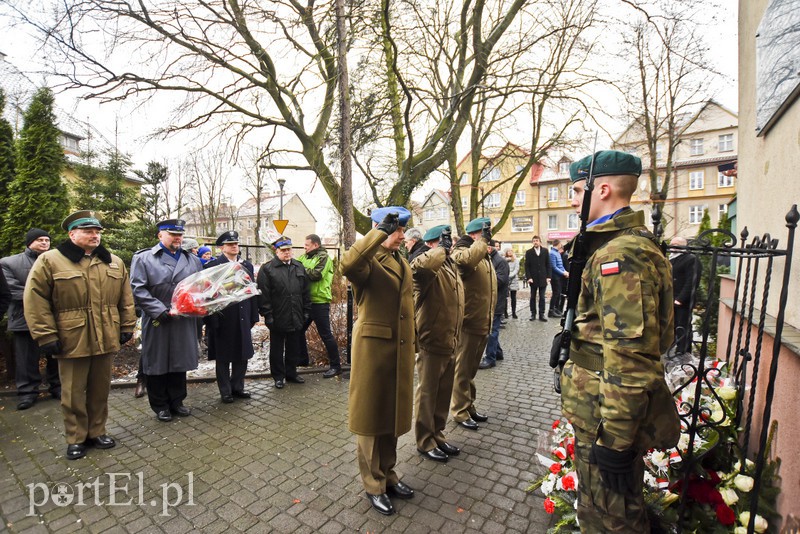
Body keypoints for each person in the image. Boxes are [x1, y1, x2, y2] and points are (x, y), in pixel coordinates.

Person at [560, 150, 679, 531]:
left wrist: (614, 440)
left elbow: (630, 358)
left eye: (579, 190)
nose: (573, 200)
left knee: (613, 520)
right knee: (600, 508)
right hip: (598, 409)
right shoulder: (614, 245)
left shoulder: (621, 255)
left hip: (606, 420)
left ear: (605, 189)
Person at [24, 211, 136, 460]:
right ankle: (76, 437)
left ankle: (97, 431)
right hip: (71, 336)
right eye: (88, 231)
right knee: (73, 392)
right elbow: (35, 299)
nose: (94, 235)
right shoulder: (50, 261)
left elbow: (125, 297)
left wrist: (127, 326)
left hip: (106, 334)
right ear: (72, 234)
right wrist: (46, 335)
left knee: (100, 389)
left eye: (97, 231)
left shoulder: (113, 262)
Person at [340, 207, 416, 516]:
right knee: (371, 418)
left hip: (398, 349)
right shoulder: (368, 261)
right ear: (379, 228)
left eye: (401, 230)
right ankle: (373, 484)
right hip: (373, 349)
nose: (400, 236)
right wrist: (377, 233)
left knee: (392, 415)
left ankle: (388, 474)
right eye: (395, 230)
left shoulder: (401, 260)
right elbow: (348, 263)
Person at [130, 219, 203, 422]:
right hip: (158, 318)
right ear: (160, 235)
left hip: (183, 317)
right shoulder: (144, 258)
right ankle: (160, 405)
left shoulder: (192, 260)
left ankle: (177, 401)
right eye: (172, 234)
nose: (177, 238)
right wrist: (158, 310)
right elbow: (138, 288)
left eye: (180, 234)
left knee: (179, 362)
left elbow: (199, 287)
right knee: (157, 362)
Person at [410, 225, 463, 464]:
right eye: (443, 242)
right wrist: (439, 251)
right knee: (428, 392)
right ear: (432, 244)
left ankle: (437, 434)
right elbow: (419, 269)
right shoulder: (426, 266)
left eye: (448, 242)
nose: (449, 246)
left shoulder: (449, 266)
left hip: (449, 338)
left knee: (443, 392)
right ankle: (424, 440)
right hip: (431, 339)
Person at [1, 229, 61, 410]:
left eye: (47, 240)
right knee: (26, 358)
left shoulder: (58, 261)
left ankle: (58, 387)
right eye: (39, 240)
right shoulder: (8, 263)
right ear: (29, 243)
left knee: (56, 355)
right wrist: (44, 299)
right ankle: (27, 393)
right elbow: (11, 291)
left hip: (54, 319)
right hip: (23, 318)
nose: (44, 243)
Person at [450, 217, 496, 431]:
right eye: (485, 234)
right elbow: (465, 261)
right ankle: (459, 410)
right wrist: (481, 243)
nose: (488, 239)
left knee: (471, 370)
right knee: (462, 370)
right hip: (468, 323)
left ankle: (469, 405)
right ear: (475, 234)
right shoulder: (461, 252)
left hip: (482, 321)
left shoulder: (483, 256)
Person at [204, 231, 259, 403]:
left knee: (242, 353)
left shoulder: (247, 265)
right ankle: (225, 391)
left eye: (236, 243)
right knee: (223, 356)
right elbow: (208, 295)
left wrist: (253, 314)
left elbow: (251, 291)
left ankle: (238, 387)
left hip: (243, 314)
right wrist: (211, 320)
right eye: (229, 244)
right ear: (221, 247)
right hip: (223, 317)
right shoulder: (212, 266)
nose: (234, 246)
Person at [257, 236, 311, 389]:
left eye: (289, 249)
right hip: (278, 315)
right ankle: (278, 376)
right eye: (284, 250)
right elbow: (264, 294)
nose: (287, 253)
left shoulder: (298, 266)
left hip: (296, 314)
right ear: (277, 251)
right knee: (277, 348)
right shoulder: (267, 269)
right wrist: (268, 315)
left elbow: (305, 291)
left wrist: (306, 311)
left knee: (294, 346)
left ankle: (291, 373)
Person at [298, 233, 342, 378]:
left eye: (307, 245)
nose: (305, 247)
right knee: (298, 331)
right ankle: (303, 360)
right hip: (306, 301)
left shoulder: (324, 258)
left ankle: (336, 366)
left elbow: (317, 275)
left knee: (325, 334)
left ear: (316, 245)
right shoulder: (304, 258)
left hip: (320, 302)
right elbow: (294, 268)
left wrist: (300, 270)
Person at [669, 236, 701, 355]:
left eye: (676, 244)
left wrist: (680, 299)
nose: (673, 246)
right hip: (670, 300)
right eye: (672, 244)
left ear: (684, 246)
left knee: (683, 327)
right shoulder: (671, 259)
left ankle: (683, 352)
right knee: (672, 327)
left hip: (682, 302)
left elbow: (692, 281)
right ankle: (672, 351)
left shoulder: (690, 259)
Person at [479, 240, 508, 370]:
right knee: (492, 329)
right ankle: (498, 352)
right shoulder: (489, 260)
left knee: (492, 331)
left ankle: (490, 358)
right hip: (489, 301)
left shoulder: (500, 262)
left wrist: (483, 279)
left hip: (497, 302)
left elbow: (501, 280)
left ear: (489, 248)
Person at [525, 235, 551, 321]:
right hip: (533, 278)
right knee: (532, 297)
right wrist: (529, 277)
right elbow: (527, 266)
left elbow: (548, 265)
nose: (535, 242)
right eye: (534, 241)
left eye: (537, 240)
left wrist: (548, 277)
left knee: (542, 297)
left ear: (540, 242)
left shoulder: (545, 251)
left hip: (543, 278)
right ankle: (533, 313)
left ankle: (542, 314)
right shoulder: (529, 252)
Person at [548, 239, 568, 317]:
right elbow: (554, 267)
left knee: (558, 293)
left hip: (559, 277)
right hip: (555, 277)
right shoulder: (552, 253)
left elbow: (560, 265)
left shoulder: (557, 253)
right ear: (559, 244)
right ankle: (551, 310)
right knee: (556, 293)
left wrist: (565, 272)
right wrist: (563, 273)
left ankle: (556, 309)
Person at [504, 249, 519, 319]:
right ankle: (505, 312)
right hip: (505, 280)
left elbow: (516, 269)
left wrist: (510, 276)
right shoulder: (503, 260)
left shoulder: (515, 260)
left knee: (513, 297)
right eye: (508, 251)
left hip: (513, 280)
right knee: (505, 297)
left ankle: (514, 312)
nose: (509, 252)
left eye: (510, 251)